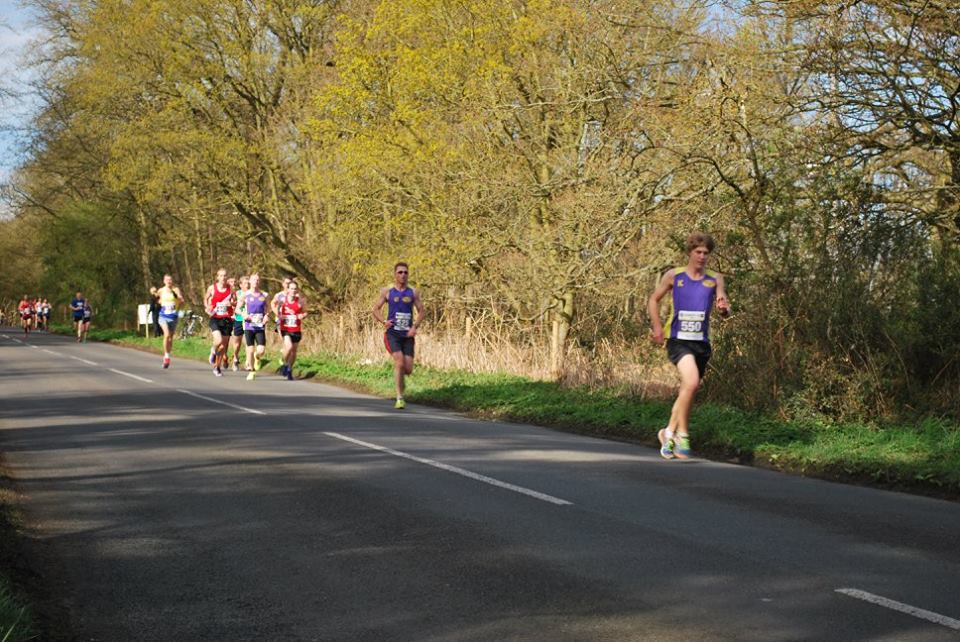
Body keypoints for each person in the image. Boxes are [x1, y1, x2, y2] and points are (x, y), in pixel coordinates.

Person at [648, 232, 730, 460]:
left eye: (706, 253)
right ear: (690, 253)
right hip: (678, 340)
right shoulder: (675, 276)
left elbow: (724, 305)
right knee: (691, 382)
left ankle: (668, 432)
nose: (702, 256)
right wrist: (656, 327)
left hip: (701, 343)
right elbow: (653, 299)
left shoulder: (715, 279)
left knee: (688, 389)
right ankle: (683, 435)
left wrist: (724, 309)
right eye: (698, 252)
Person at [372, 262, 424, 409]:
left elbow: (422, 311)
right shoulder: (387, 292)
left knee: (408, 369)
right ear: (395, 274)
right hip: (393, 334)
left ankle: (401, 380)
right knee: (399, 362)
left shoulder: (413, 292)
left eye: (405, 272)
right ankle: (399, 397)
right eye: (400, 272)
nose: (403, 275)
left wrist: (415, 327)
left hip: (407, 335)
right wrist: (384, 321)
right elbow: (375, 309)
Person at [204, 269, 233, 377]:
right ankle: (212, 350)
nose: (223, 278)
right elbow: (206, 298)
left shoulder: (231, 289)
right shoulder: (212, 288)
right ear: (217, 277)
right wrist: (207, 307)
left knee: (222, 347)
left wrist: (231, 304)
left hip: (226, 319)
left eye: (225, 276)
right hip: (215, 318)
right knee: (218, 340)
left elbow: (234, 301)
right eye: (221, 276)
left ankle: (217, 367)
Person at [277, 280, 307, 381]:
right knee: (288, 347)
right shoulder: (282, 300)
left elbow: (305, 312)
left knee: (294, 352)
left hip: (296, 329)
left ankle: (289, 368)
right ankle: (285, 363)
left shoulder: (300, 301)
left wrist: (302, 315)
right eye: (291, 289)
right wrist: (280, 316)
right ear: (288, 289)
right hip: (285, 328)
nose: (293, 291)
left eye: (295, 289)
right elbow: (276, 309)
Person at [241, 273, 269, 380]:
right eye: (254, 280)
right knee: (250, 349)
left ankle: (257, 358)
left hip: (259, 326)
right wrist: (244, 315)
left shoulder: (264, 295)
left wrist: (266, 316)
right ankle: (252, 371)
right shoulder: (245, 295)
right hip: (249, 326)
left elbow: (267, 308)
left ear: (259, 282)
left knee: (261, 350)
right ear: (250, 282)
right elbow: (238, 308)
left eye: (257, 280)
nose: (256, 282)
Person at [156, 274, 185, 368]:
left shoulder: (175, 290)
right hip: (163, 316)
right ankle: (166, 357)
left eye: (170, 280)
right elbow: (157, 299)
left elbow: (181, 300)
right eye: (167, 280)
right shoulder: (161, 290)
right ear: (164, 281)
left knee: (170, 338)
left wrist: (179, 306)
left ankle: (167, 354)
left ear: (172, 281)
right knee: (167, 334)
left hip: (173, 316)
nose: (169, 281)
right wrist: (158, 300)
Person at [228, 275, 250, 371]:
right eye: (245, 283)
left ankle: (248, 362)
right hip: (239, 319)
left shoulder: (252, 293)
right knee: (237, 343)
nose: (247, 285)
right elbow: (232, 303)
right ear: (240, 285)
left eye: (248, 283)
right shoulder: (237, 293)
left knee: (249, 342)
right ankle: (235, 358)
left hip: (249, 321)